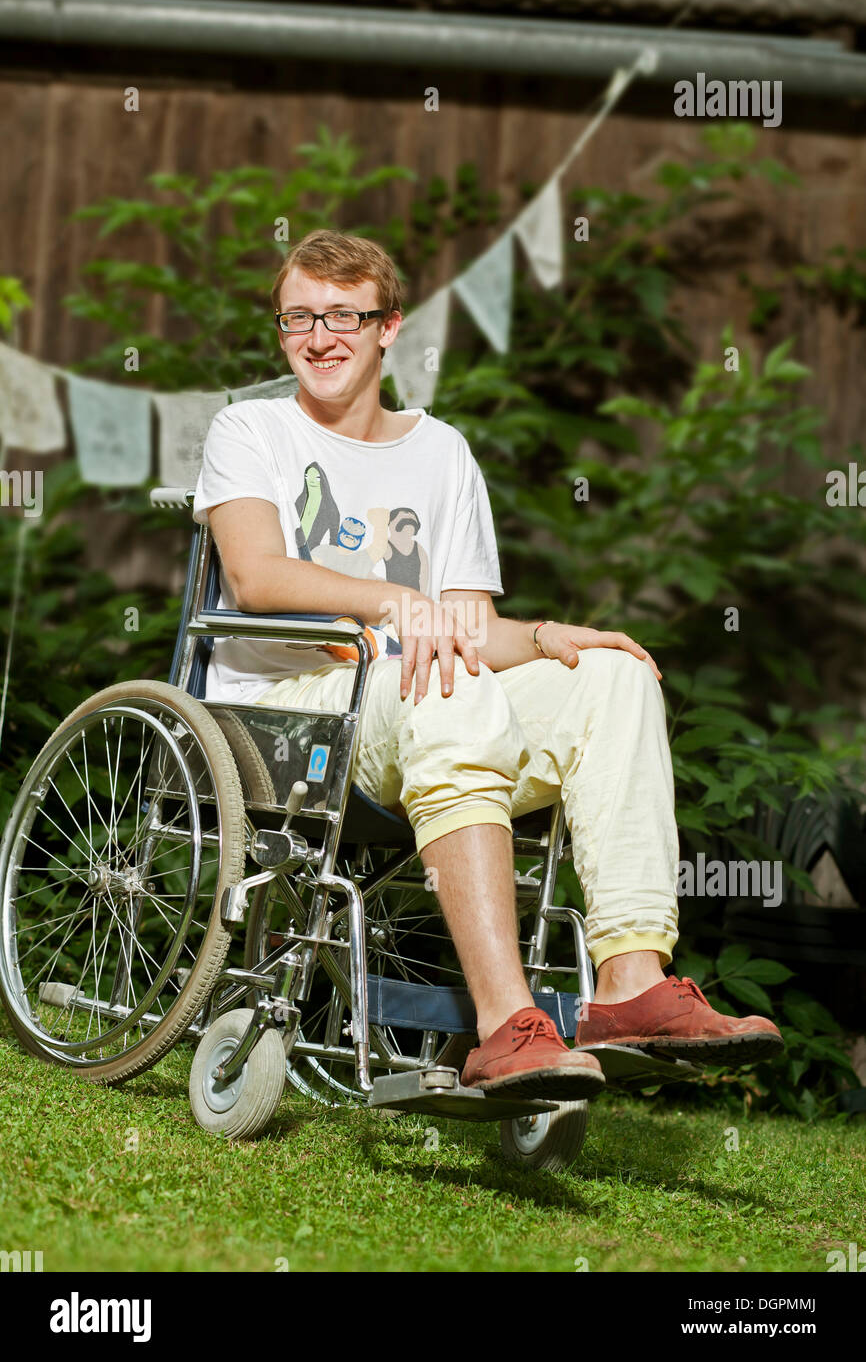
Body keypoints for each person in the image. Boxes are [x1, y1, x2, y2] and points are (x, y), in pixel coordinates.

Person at [193, 228, 784, 1101]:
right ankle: (507, 1021)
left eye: (343, 318)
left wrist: (550, 637)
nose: (319, 338)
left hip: (422, 703)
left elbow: (469, 627)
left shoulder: (444, 454)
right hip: (289, 710)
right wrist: (392, 602)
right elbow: (254, 574)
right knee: (451, 683)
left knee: (611, 680)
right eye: (297, 319)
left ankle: (627, 987)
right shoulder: (251, 429)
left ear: (389, 327)